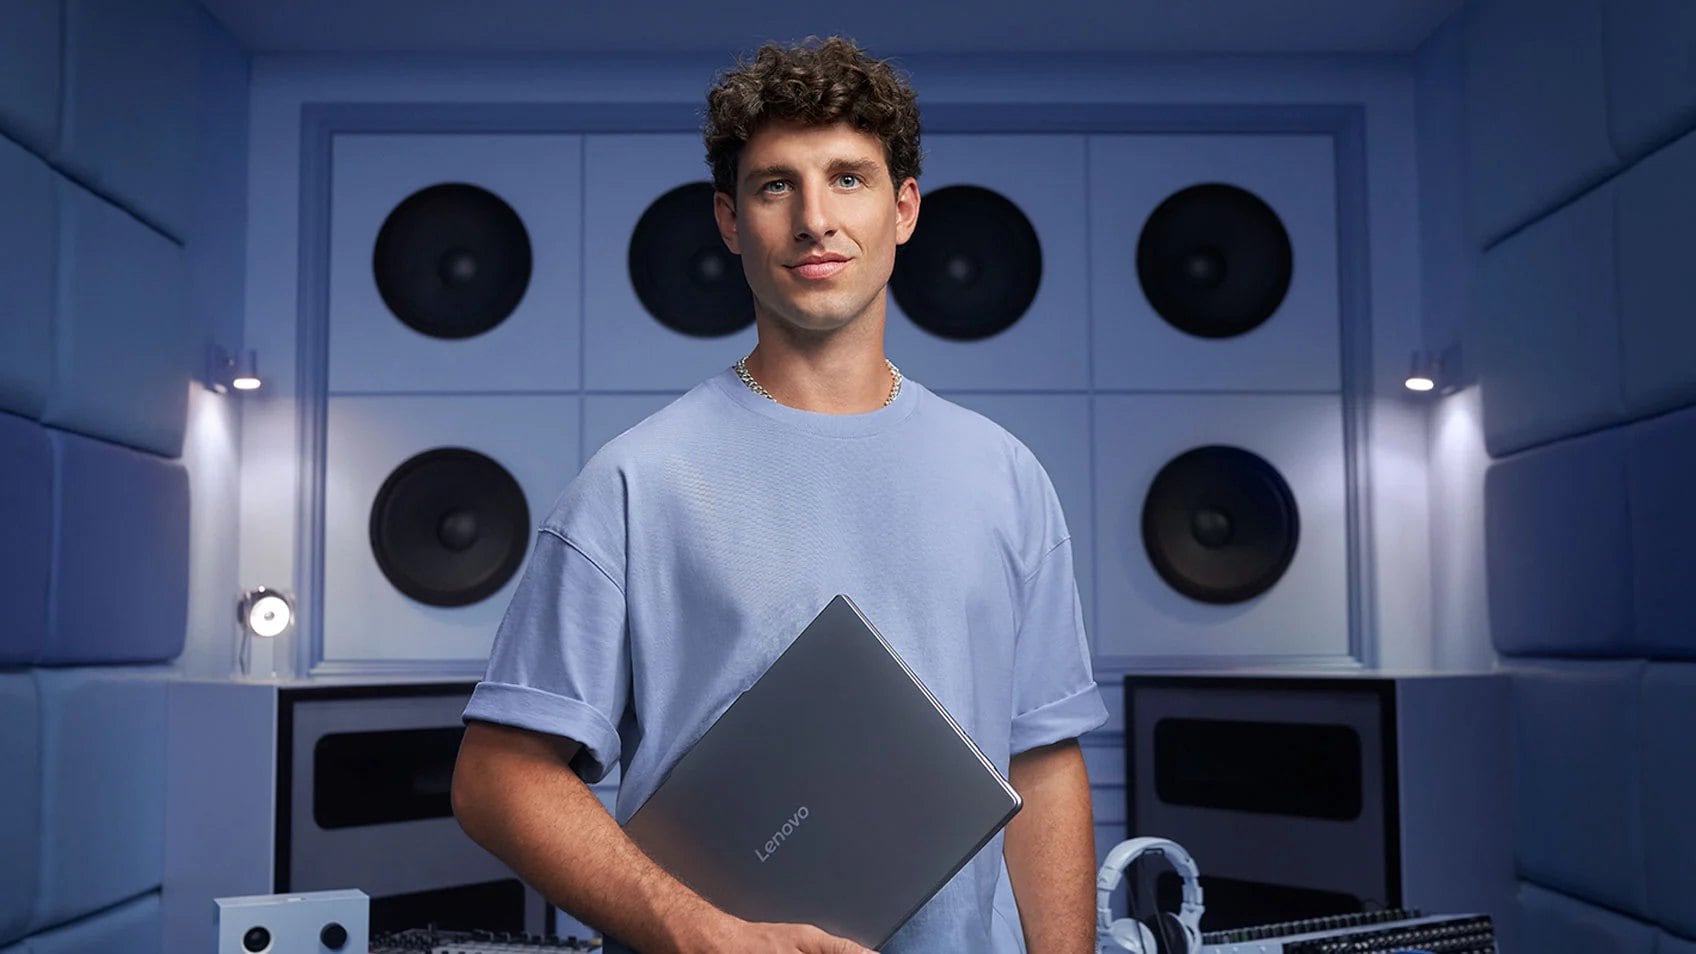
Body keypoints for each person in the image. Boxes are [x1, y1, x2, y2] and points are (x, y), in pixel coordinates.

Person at [451, 36, 1107, 954]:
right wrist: (700, 933)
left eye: (849, 179)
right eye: (774, 187)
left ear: (904, 209)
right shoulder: (637, 482)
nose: (814, 220)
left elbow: (1041, 758)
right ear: (729, 221)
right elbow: (496, 778)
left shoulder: (1005, 475)